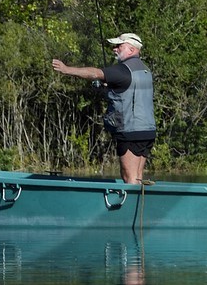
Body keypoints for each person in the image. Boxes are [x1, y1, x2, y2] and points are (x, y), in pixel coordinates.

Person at [51, 32, 155, 183]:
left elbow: (95, 73)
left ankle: (130, 206)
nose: (114, 49)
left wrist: (67, 69)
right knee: (138, 177)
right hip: (148, 131)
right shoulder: (145, 70)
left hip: (130, 131)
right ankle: (140, 205)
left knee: (129, 178)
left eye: (119, 46)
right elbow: (128, 90)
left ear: (132, 49)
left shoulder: (123, 70)